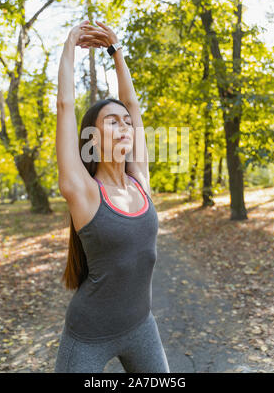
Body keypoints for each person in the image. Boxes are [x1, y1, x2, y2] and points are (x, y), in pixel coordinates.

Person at [54, 19, 170, 373]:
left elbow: (133, 105)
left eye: (126, 122)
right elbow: (64, 106)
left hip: (141, 328)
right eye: (112, 122)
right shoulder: (84, 193)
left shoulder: (139, 181)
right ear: (92, 138)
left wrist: (115, 49)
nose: (125, 127)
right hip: (88, 335)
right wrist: (70, 46)